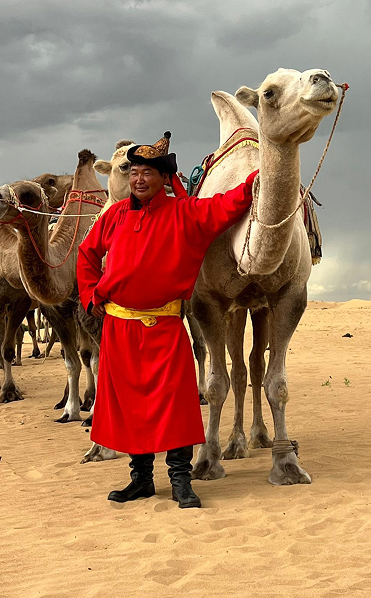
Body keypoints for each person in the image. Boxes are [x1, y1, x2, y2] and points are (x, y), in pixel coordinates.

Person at [77, 132, 258, 508]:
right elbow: (87, 253)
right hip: (119, 327)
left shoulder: (186, 213)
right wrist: (90, 293)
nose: (139, 179)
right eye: (134, 172)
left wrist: (260, 180)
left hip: (165, 327)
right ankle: (141, 479)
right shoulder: (113, 216)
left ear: (163, 179)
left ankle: (180, 480)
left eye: (147, 173)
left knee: (175, 405)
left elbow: (227, 205)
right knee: (130, 408)